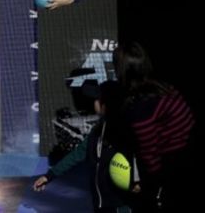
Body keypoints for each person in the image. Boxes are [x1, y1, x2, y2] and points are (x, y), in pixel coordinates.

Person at [113, 42, 196, 212]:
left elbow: (151, 157)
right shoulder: (164, 87)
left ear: (122, 71)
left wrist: (150, 188)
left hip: (177, 164)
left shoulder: (140, 108)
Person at [33, 80, 132, 212]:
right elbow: (77, 154)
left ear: (105, 104)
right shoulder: (97, 131)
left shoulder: (125, 131)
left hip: (120, 205)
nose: (94, 102)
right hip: (101, 203)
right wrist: (49, 176)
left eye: (97, 99)